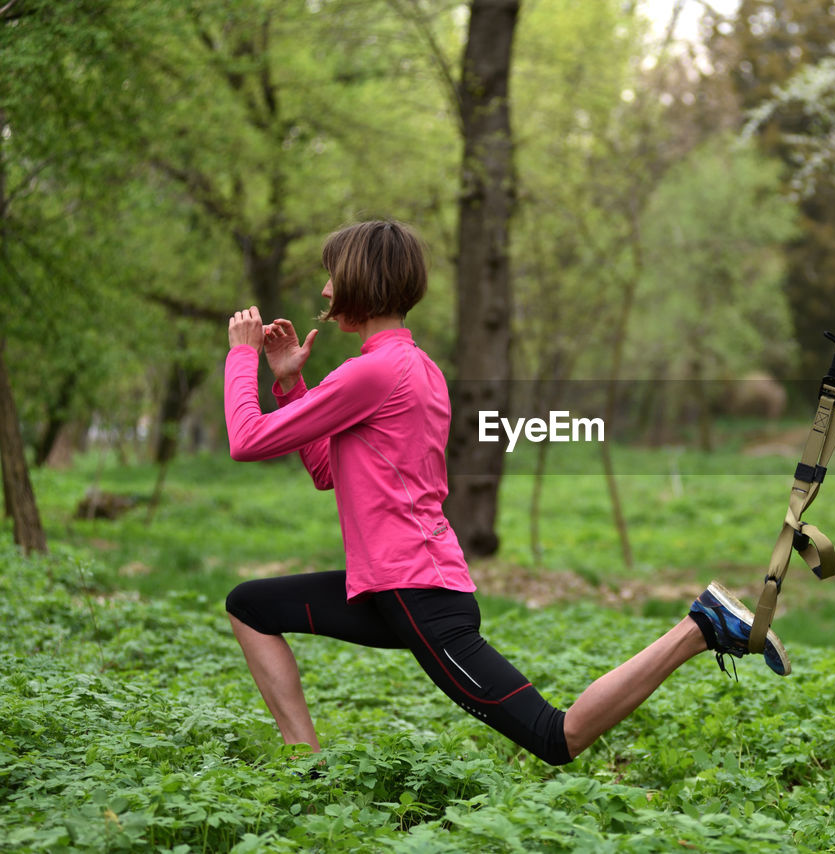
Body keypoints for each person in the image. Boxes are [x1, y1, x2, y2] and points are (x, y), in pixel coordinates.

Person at [223, 219, 789, 766]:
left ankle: (699, 628)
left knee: (554, 736)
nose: (324, 289)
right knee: (250, 606)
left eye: (332, 275)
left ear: (360, 282)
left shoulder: (368, 374)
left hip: (417, 593)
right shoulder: (414, 368)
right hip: (387, 587)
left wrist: (242, 355)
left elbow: (247, 440)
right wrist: (291, 382)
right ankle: (308, 770)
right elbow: (328, 470)